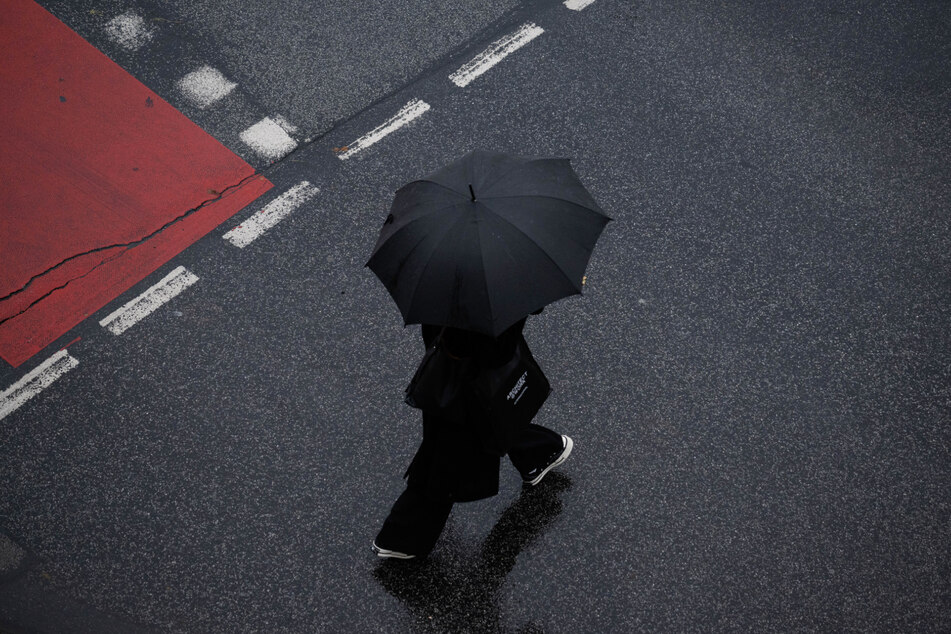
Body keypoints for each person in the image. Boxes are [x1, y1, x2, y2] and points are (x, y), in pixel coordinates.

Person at [372, 315, 573, 560]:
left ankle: (402, 540)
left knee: (444, 461)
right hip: (466, 382)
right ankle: (539, 452)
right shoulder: (500, 291)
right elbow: (498, 352)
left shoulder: (445, 287)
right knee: (471, 434)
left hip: (450, 380)